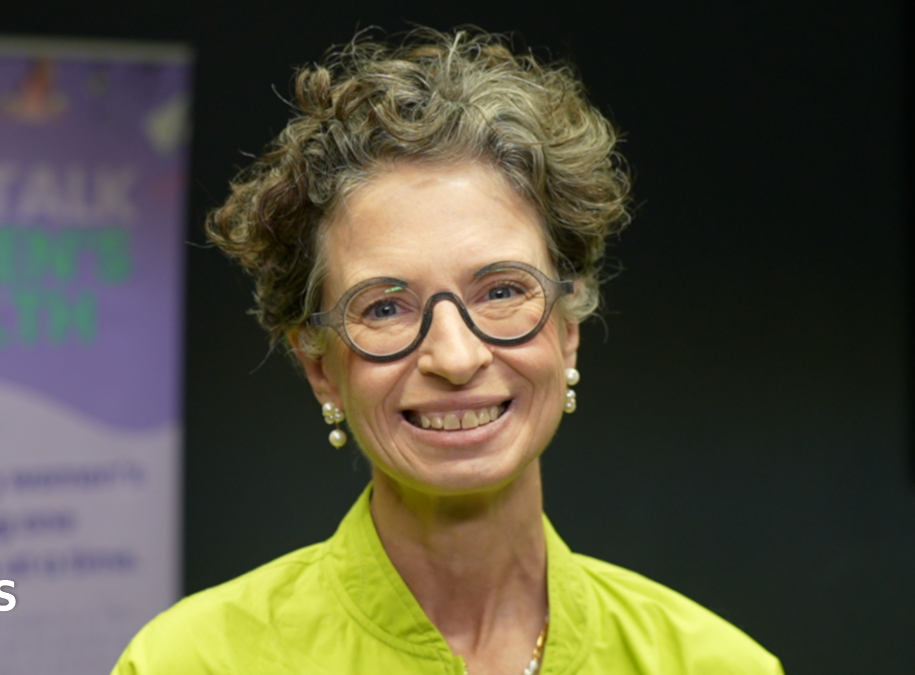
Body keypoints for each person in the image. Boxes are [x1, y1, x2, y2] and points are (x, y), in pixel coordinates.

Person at [113, 28, 783, 674]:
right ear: (320, 367)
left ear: (568, 328)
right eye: (383, 306)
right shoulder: (191, 662)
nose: (456, 357)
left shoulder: (714, 664)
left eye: (500, 290)